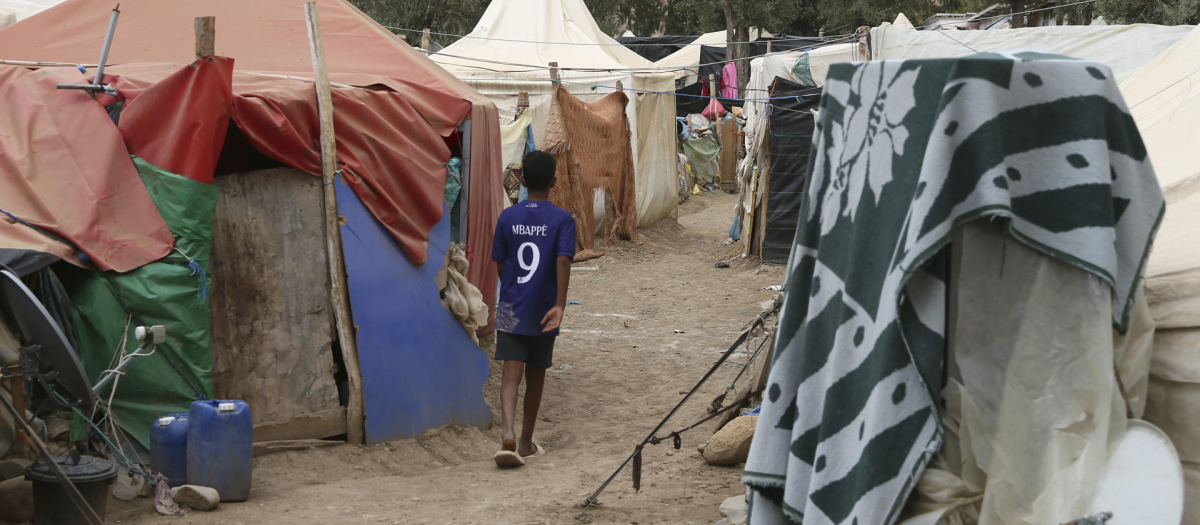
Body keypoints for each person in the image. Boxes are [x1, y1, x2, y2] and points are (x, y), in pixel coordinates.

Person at [491, 150, 576, 468]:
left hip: (512, 305)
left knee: (510, 374)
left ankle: (507, 432)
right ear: (554, 182)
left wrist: (511, 290)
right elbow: (564, 260)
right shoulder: (563, 220)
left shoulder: (507, 217)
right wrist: (559, 305)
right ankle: (526, 442)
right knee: (536, 375)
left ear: (522, 180)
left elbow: (500, 264)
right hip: (544, 309)